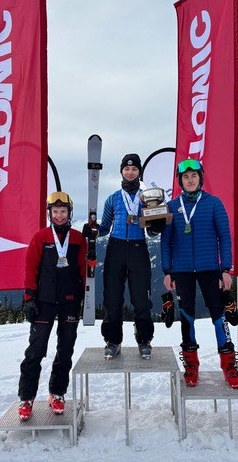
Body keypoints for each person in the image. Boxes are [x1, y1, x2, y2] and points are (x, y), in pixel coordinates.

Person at [160, 159, 238, 389]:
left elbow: (225, 237)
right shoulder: (172, 207)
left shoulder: (214, 204)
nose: (190, 180)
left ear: (201, 178)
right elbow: (166, 242)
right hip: (182, 270)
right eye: (186, 177)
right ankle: (191, 365)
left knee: (218, 314)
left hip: (210, 269)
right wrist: (167, 271)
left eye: (194, 176)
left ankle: (228, 364)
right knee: (187, 316)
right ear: (180, 181)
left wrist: (225, 269)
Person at [17, 192, 87, 421]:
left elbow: (84, 269)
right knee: (35, 351)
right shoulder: (40, 237)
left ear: (69, 213)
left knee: (65, 350)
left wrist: (86, 298)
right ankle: (26, 398)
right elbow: (31, 269)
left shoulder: (78, 239)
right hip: (44, 302)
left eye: (63, 211)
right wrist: (29, 298)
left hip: (69, 301)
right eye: (55, 211)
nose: (59, 215)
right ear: (49, 213)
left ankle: (57, 393)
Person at [89, 153, 154, 360]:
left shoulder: (147, 198)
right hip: (115, 248)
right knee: (113, 299)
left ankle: (144, 340)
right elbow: (105, 228)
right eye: (126, 169)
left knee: (141, 299)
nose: (130, 172)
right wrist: (93, 230)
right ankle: (113, 341)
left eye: (134, 169)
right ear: (121, 172)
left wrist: (157, 226)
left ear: (139, 172)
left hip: (138, 248)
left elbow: (152, 229)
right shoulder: (113, 198)